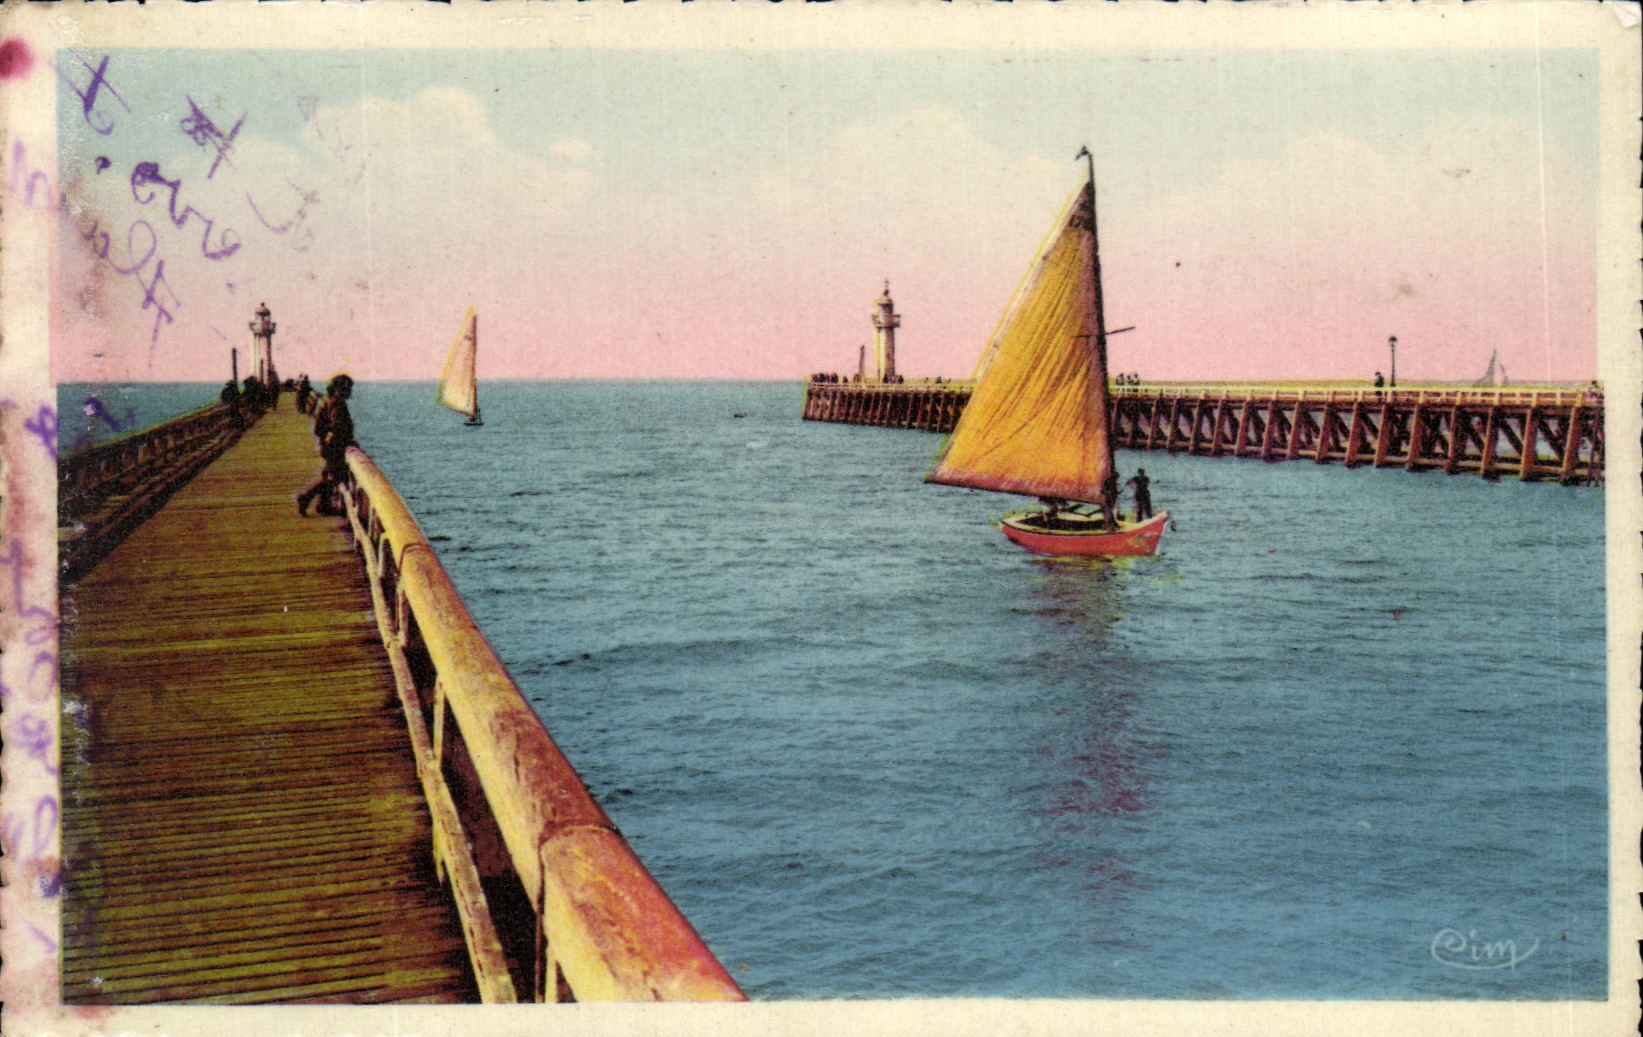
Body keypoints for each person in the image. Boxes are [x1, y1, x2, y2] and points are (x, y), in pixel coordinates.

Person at [297, 374, 356, 517]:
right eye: (346, 388)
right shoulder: (337, 404)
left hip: (327, 445)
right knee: (336, 477)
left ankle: (323, 504)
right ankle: (306, 497)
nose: (348, 391)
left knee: (328, 474)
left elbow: (319, 428)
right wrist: (346, 441)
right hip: (335, 446)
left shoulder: (326, 400)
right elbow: (337, 427)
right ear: (338, 389)